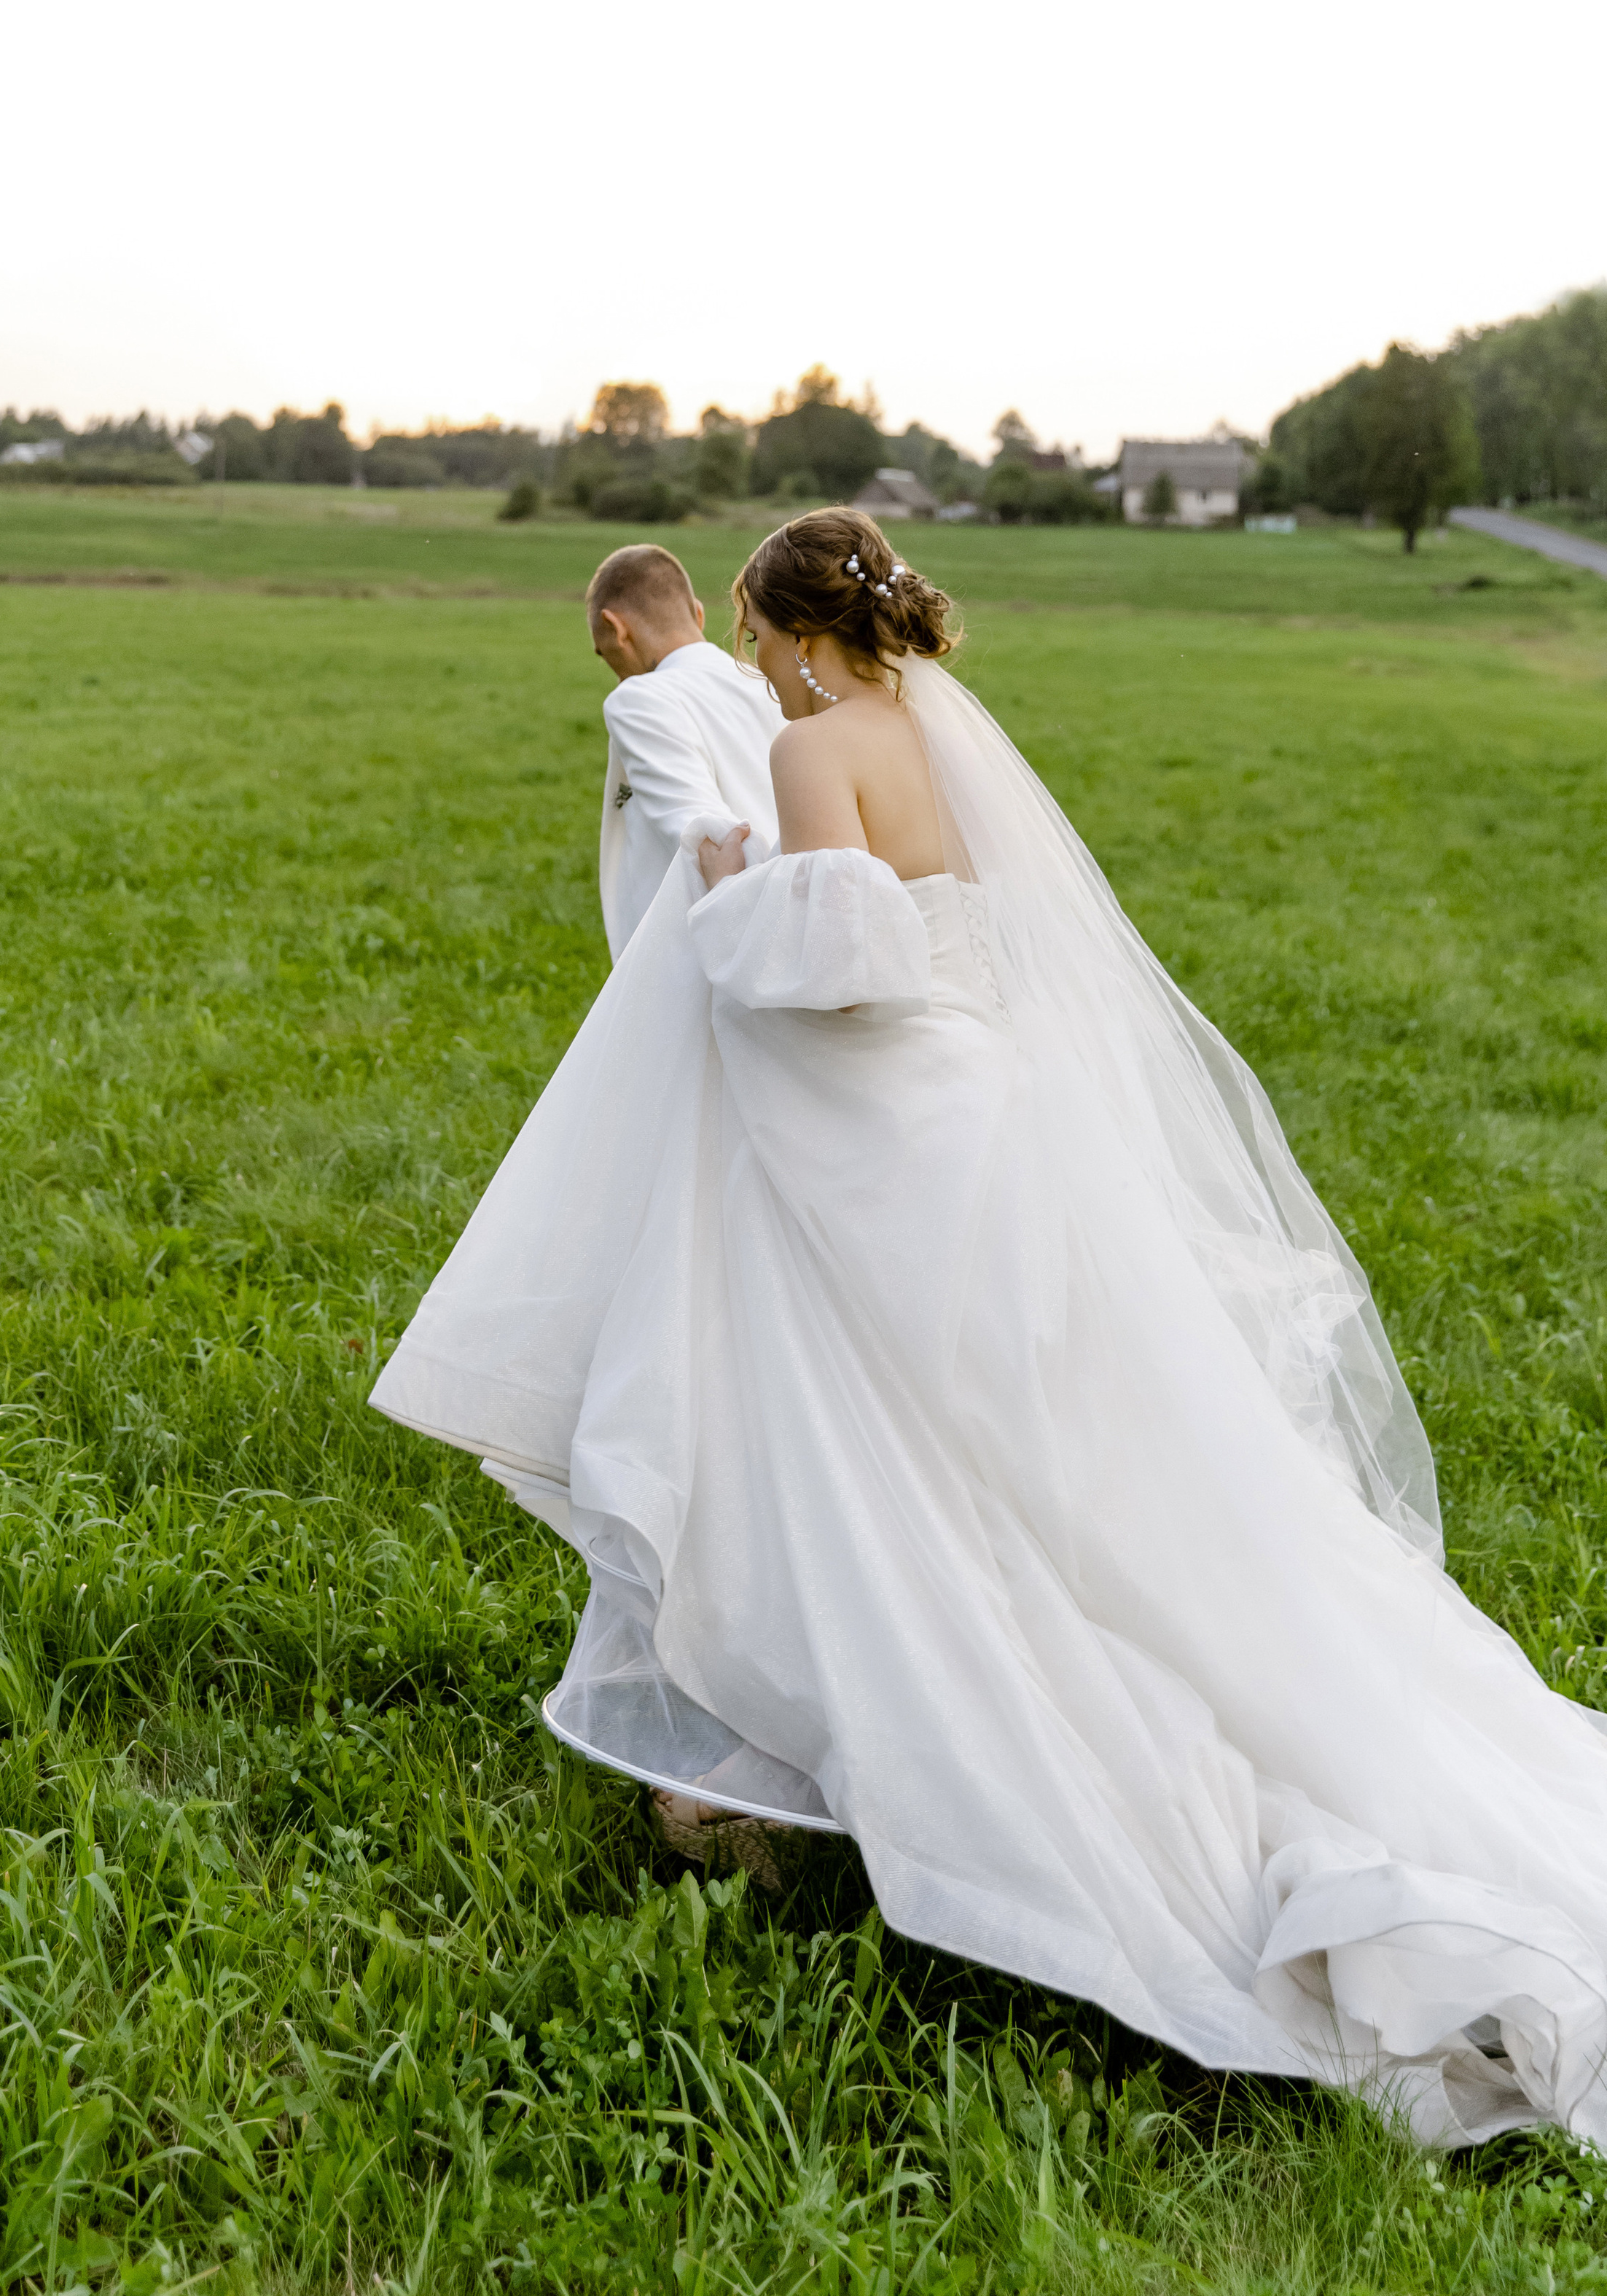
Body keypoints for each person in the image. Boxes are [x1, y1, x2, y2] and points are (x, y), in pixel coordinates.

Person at [373, 507, 1607, 2149]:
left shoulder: (819, 748)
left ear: (797, 635)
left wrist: (729, 882)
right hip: (988, 1109)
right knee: (1026, 1449)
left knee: (862, 1433)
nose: (748, 664)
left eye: (751, 634)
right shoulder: (939, 738)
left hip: (882, 1126)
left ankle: (875, 1747)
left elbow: (832, 959)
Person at [587, 542, 782, 959]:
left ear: (616, 628)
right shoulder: (771, 682)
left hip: (709, 943)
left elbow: (700, 828)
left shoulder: (638, 698)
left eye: (605, 654)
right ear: (697, 613)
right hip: (792, 915)